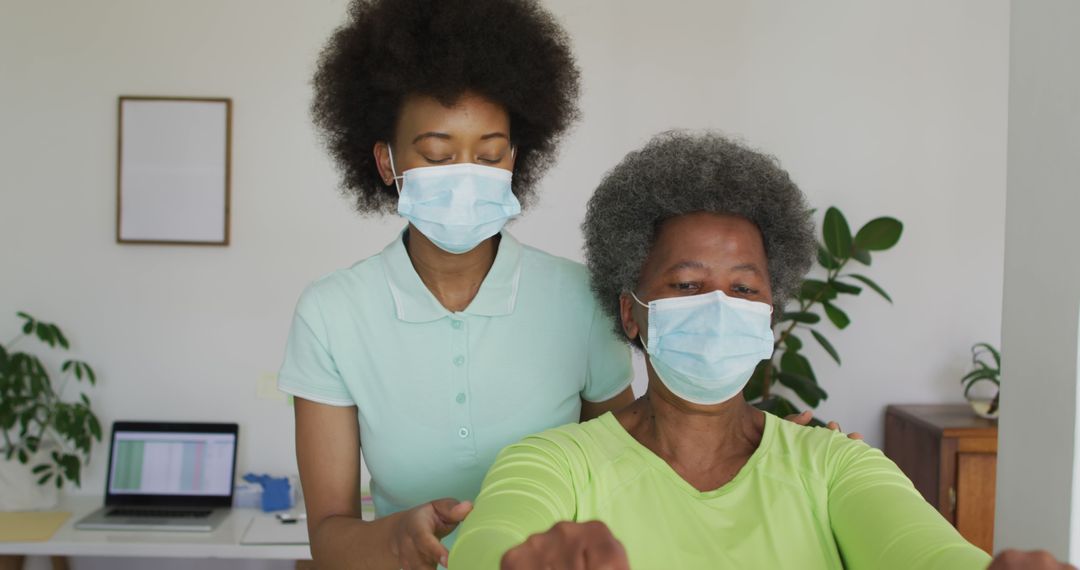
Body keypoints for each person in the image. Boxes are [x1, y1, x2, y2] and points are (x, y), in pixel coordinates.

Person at [448, 131, 1074, 570]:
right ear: (630, 311)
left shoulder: (835, 466)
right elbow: (492, 537)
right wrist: (515, 561)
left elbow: (925, 551)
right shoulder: (557, 464)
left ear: (771, 314)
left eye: (744, 287)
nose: (719, 305)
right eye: (688, 284)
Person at [277, 1, 635, 569]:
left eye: (489, 155)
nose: (466, 176)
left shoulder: (580, 300)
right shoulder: (332, 314)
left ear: (516, 158)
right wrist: (397, 538)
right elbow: (329, 539)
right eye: (439, 155)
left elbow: (629, 479)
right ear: (387, 162)